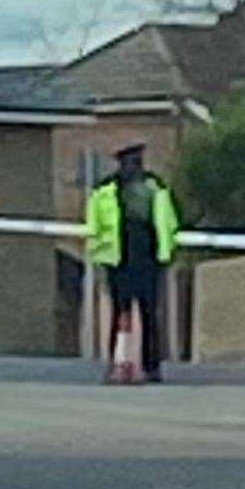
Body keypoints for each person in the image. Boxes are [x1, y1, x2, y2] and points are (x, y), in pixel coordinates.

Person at [85, 143, 180, 382]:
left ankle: (151, 366)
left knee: (150, 314)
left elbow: (168, 221)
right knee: (120, 313)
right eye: (130, 162)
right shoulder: (105, 190)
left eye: (137, 162)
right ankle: (117, 363)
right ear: (121, 164)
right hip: (118, 257)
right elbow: (94, 226)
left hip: (147, 254)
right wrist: (100, 255)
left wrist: (165, 252)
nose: (134, 167)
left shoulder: (155, 187)